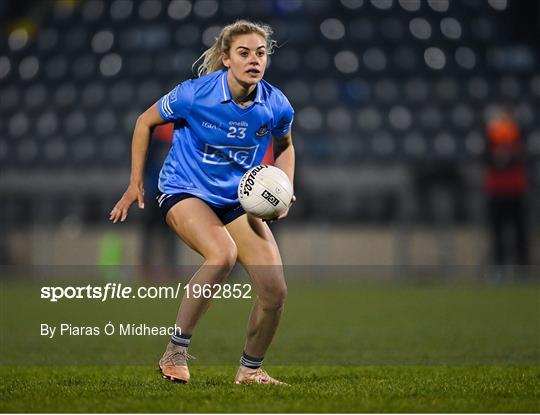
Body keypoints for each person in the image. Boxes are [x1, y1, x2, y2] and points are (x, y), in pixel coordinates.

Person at [109, 20, 295, 385]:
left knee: (274, 291)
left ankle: (250, 371)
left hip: (236, 199)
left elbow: (286, 146)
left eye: (260, 53)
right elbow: (144, 122)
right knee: (222, 254)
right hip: (185, 190)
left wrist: (284, 187)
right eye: (244, 53)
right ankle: (174, 353)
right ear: (226, 58)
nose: (254, 60)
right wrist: (134, 184)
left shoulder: (276, 105)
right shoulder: (194, 94)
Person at [484, 107, 529, 268]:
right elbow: (487, 158)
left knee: (520, 230)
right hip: (497, 189)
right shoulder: (490, 134)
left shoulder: (519, 132)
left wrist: (507, 157)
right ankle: (499, 264)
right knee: (498, 231)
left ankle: (522, 264)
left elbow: (523, 156)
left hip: (515, 188)